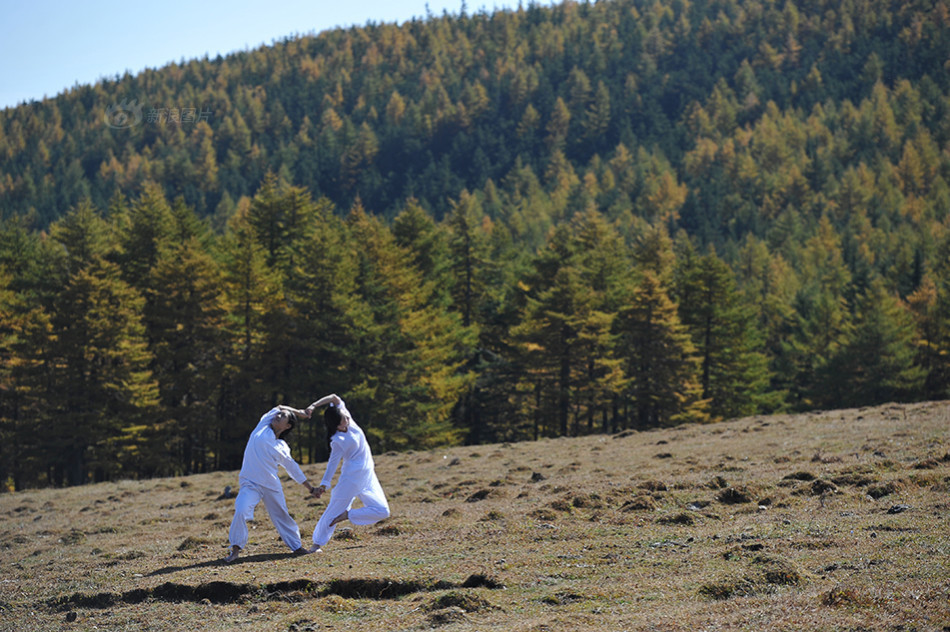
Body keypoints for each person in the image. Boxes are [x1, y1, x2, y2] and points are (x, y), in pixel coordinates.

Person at [224, 404, 321, 563]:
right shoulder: (263, 424)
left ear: (287, 426)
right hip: (250, 483)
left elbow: (293, 468)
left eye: (283, 416)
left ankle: (297, 547)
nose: (278, 415)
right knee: (241, 510)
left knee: (282, 515)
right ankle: (235, 550)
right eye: (279, 414)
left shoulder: (282, 447)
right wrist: (300, 413)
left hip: (270, 485)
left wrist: (311, 489)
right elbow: (279, 406)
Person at [308, 394, 390, 553]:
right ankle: (316, 544)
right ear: (337, 426)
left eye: (346, 416)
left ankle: (347, 515)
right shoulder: (337, 440)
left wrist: (313, 405)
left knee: (383, 511)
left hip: (368, 476)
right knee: (333, 511)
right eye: (344, 419)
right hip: (351, 479)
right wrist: (324, 484)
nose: (347, 418)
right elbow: (332, 463)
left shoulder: (350, 422)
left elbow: (334, 397)